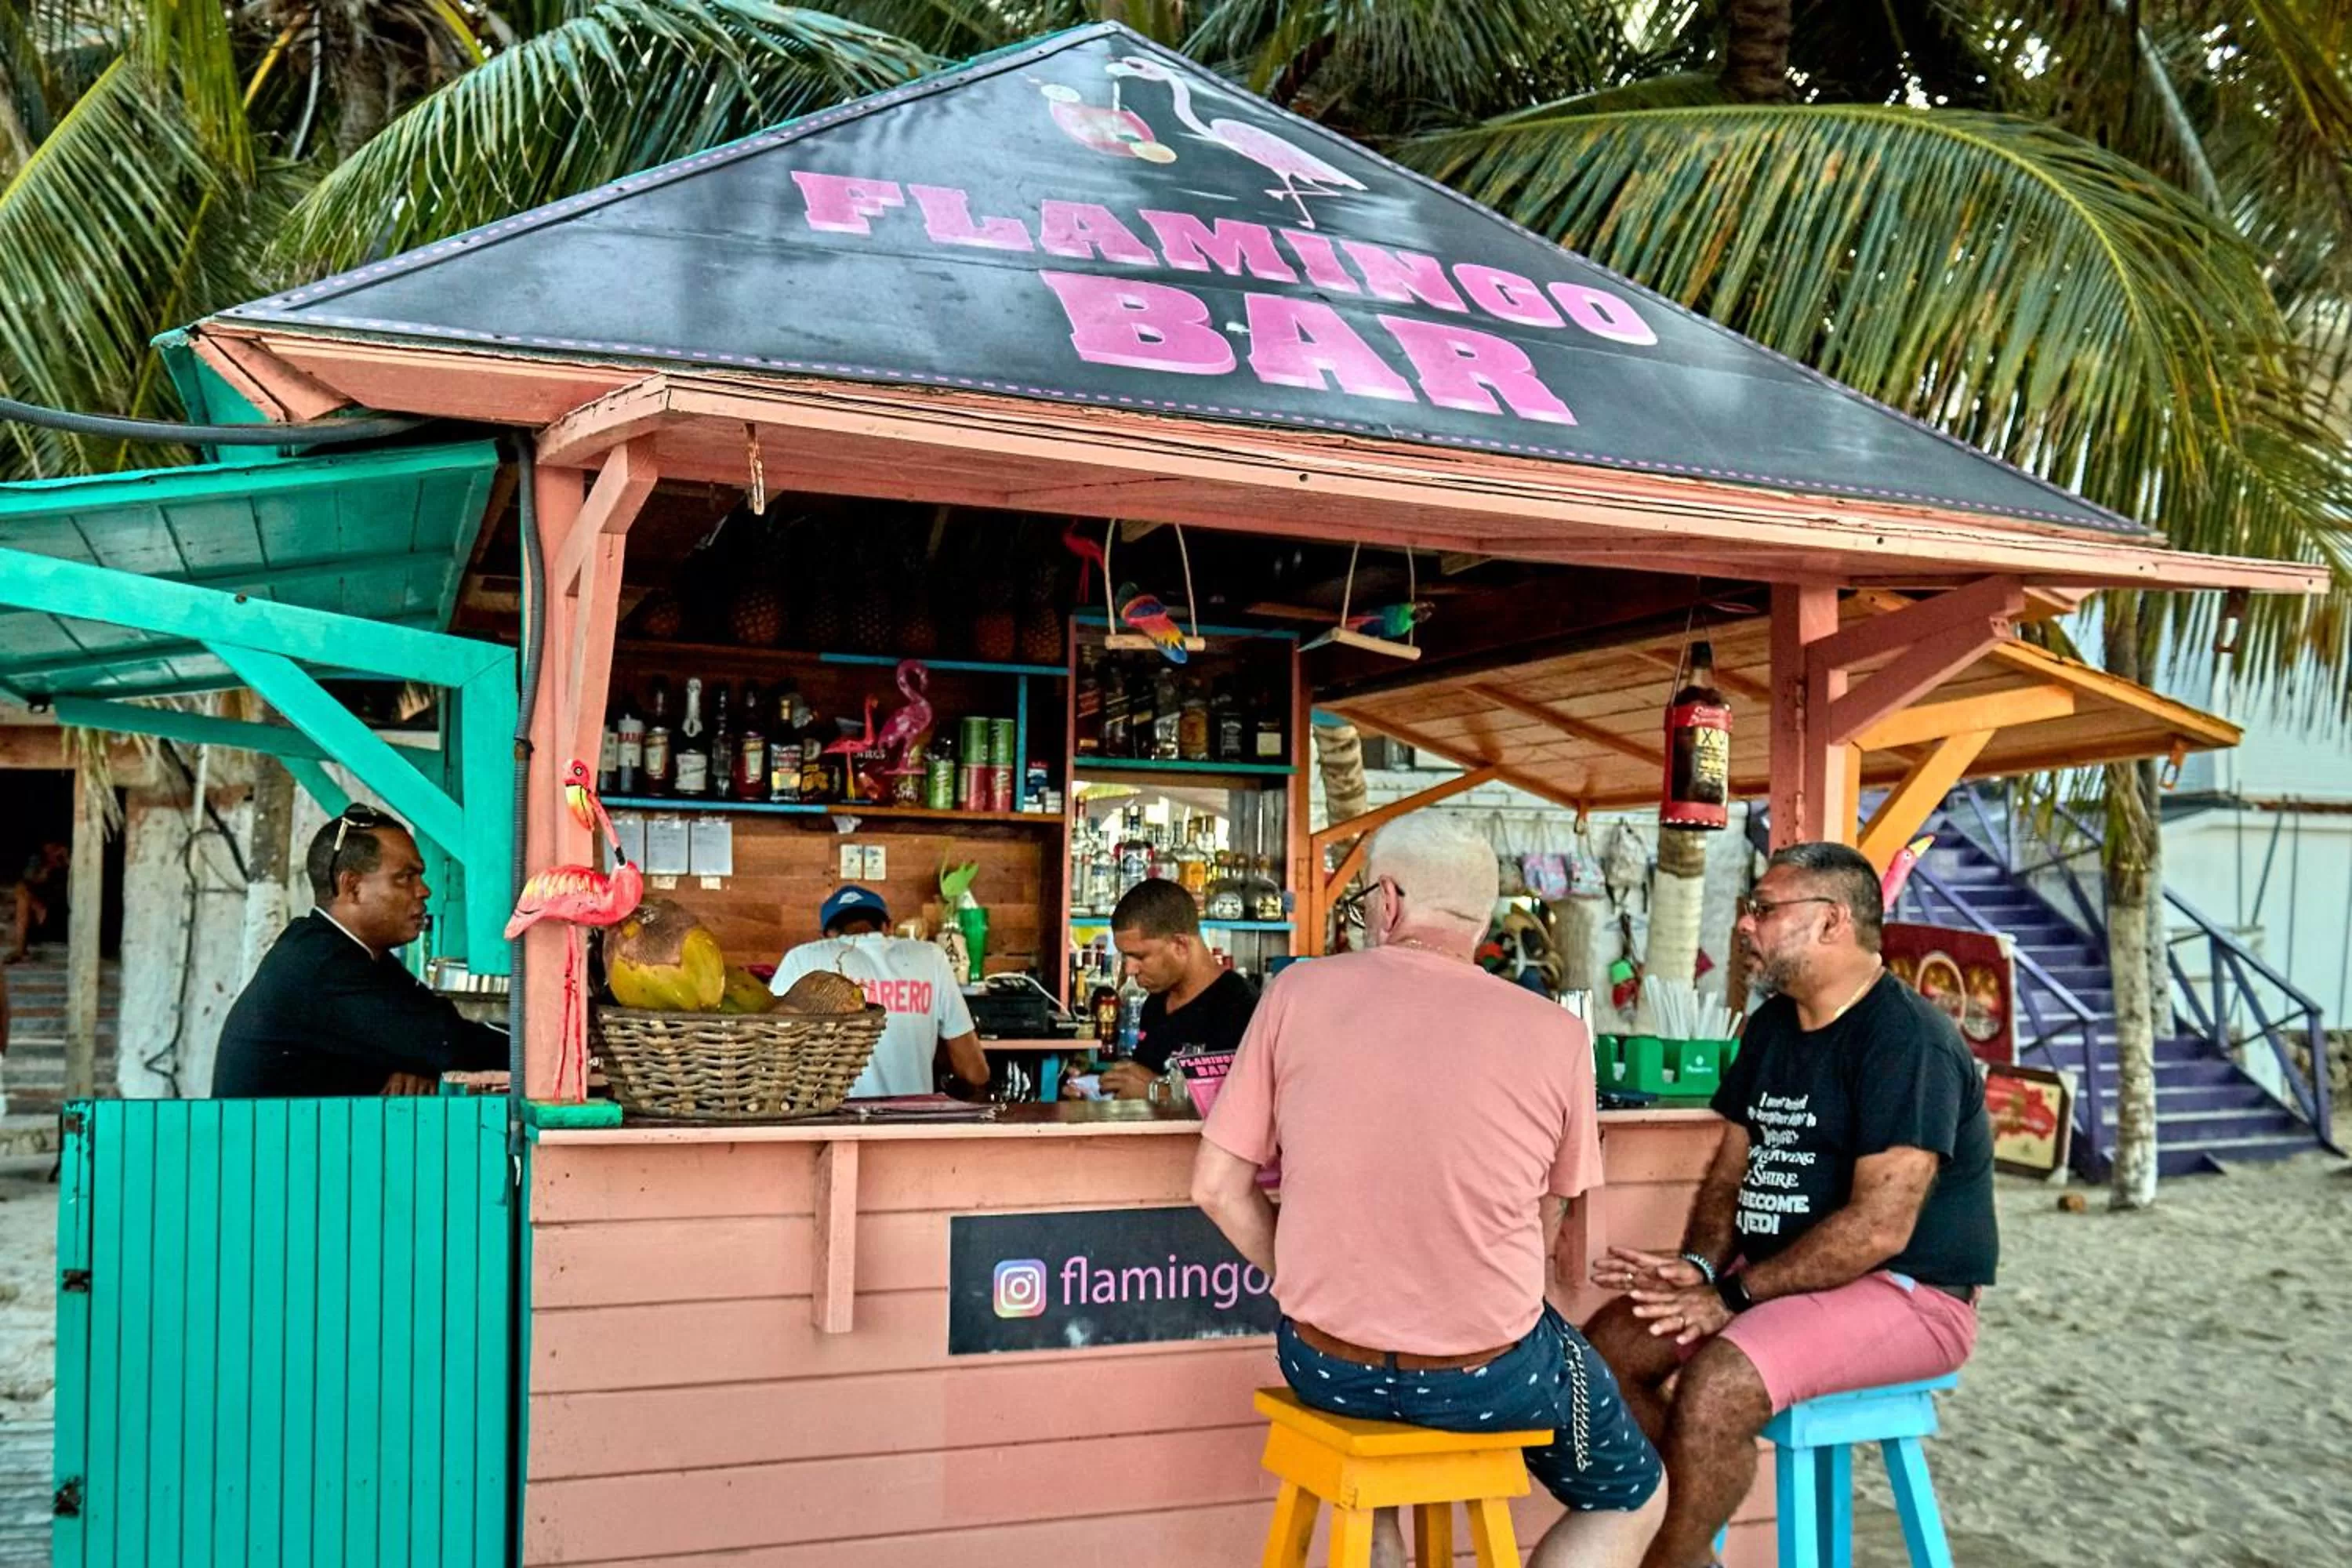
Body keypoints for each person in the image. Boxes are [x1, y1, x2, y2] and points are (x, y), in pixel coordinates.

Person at [1194, 814, 1665, 1568]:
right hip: (1487, 1375)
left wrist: (1303, 1280)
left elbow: (1217, 1188)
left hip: (1326, 1365)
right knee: (1632, 1494)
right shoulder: (1555, 1032)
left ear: (1387, 900)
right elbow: (1548, 1220)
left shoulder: (1296, 992)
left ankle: (1380, 1544)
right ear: (1480, 919)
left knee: (1372, 1467)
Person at [1584, 841, 1997, 1568]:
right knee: (1606, 1353)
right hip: (1778, 1279)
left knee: (1718, 1387)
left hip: (1909, 1293)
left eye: (1766, 910)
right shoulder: (1775, 1025)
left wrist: (1734, 1296)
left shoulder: (1909, 1040)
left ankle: (1662, 1561)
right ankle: (1684, 1554)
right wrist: (1699, 1267)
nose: (1748, 925)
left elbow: (1879, 1227)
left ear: (1833, 922)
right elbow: (1728, 1172)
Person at [213, 804, 508, 1097]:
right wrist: (541, 1047)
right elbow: (449, 1044)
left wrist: (417, 1063)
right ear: (352, 887)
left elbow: (433, 1031)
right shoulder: (322, 964)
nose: (424, 890)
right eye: (405, 877)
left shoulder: (349, 952)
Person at [771, 885, 989, 1098]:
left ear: (826, 934)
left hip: (830, 1120)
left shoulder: (802, 958)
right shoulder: (930, 957)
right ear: (888, 927)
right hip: (909, 1124)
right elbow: (975, 1072)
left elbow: (768, 1046)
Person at [1096, 877, 1257, 1102]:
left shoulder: (1241, 1009)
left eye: (1140, 956)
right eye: (1125, 956)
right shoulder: (1155, 1004)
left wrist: (1159, 1093)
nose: (1130, 969)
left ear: (1180, 946)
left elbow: (1245, 1107)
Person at [6, 840, 68, 964]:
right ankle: (20, 949)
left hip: (63, 917)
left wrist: (66, 860)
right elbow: (29, 880)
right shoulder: (39, 863)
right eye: (49, 847)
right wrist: (48, 869)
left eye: (55, 847)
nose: (52, 850)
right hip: (42, 916)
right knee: (22, 891)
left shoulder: (71, 862)